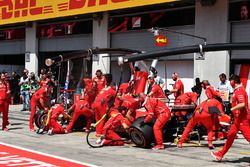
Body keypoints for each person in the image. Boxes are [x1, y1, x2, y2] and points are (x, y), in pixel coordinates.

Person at [211, 74, 250, 161]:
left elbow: (242, 104)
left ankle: (220, 154)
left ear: (233, 82)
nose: (229, 83)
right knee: (230, 136)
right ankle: (220, 155)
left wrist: (231, 109)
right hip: (237, 120)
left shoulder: (240, 90)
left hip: (242, 120)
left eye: (230, 81)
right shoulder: (237, 90)